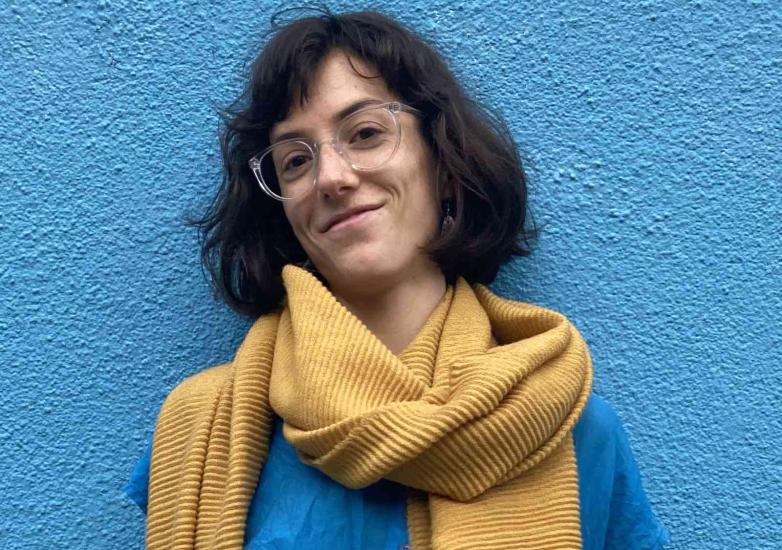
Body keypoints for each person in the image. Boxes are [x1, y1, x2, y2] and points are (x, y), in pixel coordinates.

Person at [125, 9, 669, 550]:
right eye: (295, 162)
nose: (331, 177)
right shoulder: (201, 432)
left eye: (365, 133)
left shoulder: (570, 429)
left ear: (443, 160)